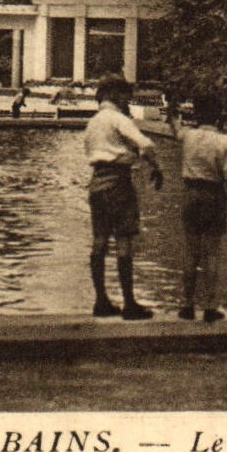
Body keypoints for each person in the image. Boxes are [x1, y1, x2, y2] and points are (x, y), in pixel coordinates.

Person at [84, 74, 164, 320]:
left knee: (99, 240)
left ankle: (101, 301)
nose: (128, 100)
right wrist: (155, 166)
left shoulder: (93, 122)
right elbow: (146, 144)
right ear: (115, 95)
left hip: (96, 182)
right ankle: (129, 303)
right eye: (125, 95)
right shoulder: (118, 118)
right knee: (124, 239)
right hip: (119, 182)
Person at [175, 93, 227, 322]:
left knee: (191, 251)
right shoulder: (223, 142)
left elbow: (175, 127)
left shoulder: (187, 136)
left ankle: (186, 304)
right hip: (212, 196)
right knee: (211, 253)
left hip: (190, 194)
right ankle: (210, 306)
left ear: (197, 114)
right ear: (218, 116)